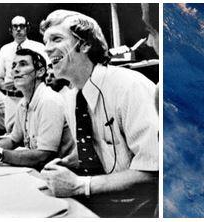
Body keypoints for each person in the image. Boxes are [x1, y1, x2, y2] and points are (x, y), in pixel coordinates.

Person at [39, 10, 158, 217]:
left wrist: (79, 185)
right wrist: (65, 164)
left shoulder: (129, 87)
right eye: (45, 41)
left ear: (85, 44)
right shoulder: (71, 97)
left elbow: (154, 172)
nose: (47, 49)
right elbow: (95, 150)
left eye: (56, 39)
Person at [0, 48, 75, 170]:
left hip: (61, 175)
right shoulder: (23, 103)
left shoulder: (50, 100)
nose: (15, 69)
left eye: (23, 64)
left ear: (40, 72)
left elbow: (44, 155)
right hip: (38, 171)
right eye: (13, 65)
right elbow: (13, 141)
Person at [0, 15, 48, 133]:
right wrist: (4, 85)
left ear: (27, 28)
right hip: (12, 98)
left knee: (32, 132)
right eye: (15, 27)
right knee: (13, 133)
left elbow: (47, 72)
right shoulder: (5, 49)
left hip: (32, 98)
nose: (18, 29)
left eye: (22, 26)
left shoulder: (39, 47)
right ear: (11, 30)